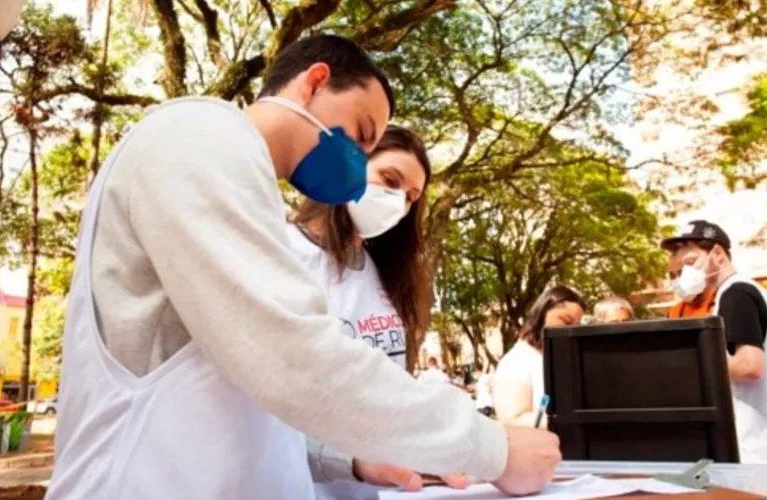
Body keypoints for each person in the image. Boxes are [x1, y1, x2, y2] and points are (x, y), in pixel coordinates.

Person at [46, 34, 559, 500]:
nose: (357, 165)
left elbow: (262, 405)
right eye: (361, 133)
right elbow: (293, 358)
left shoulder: (245, 184)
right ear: (314, 82)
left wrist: (348, 458)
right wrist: (494, 449)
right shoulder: (198, 134)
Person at [287, 125, 468, 490]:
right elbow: (263, 404)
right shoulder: (282, 252)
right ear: (350, 163)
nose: (397, 201)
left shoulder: (383, 272)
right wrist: (351, 461)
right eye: (389, 179)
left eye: (411, 197)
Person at [663, 220, 767, 469]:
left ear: (717, 254)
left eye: (690, 263)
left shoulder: (735, 294)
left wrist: (686, 368)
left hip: (752, 445)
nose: (686, 274)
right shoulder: (754, 292)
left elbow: (749, 366)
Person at [493, 285, 586, 427]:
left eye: (576, 325)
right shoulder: (516, 362)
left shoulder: (558, 360)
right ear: (542, 314)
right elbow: (513, 420)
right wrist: (571, 420)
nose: (571, 330)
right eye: (566, 321)